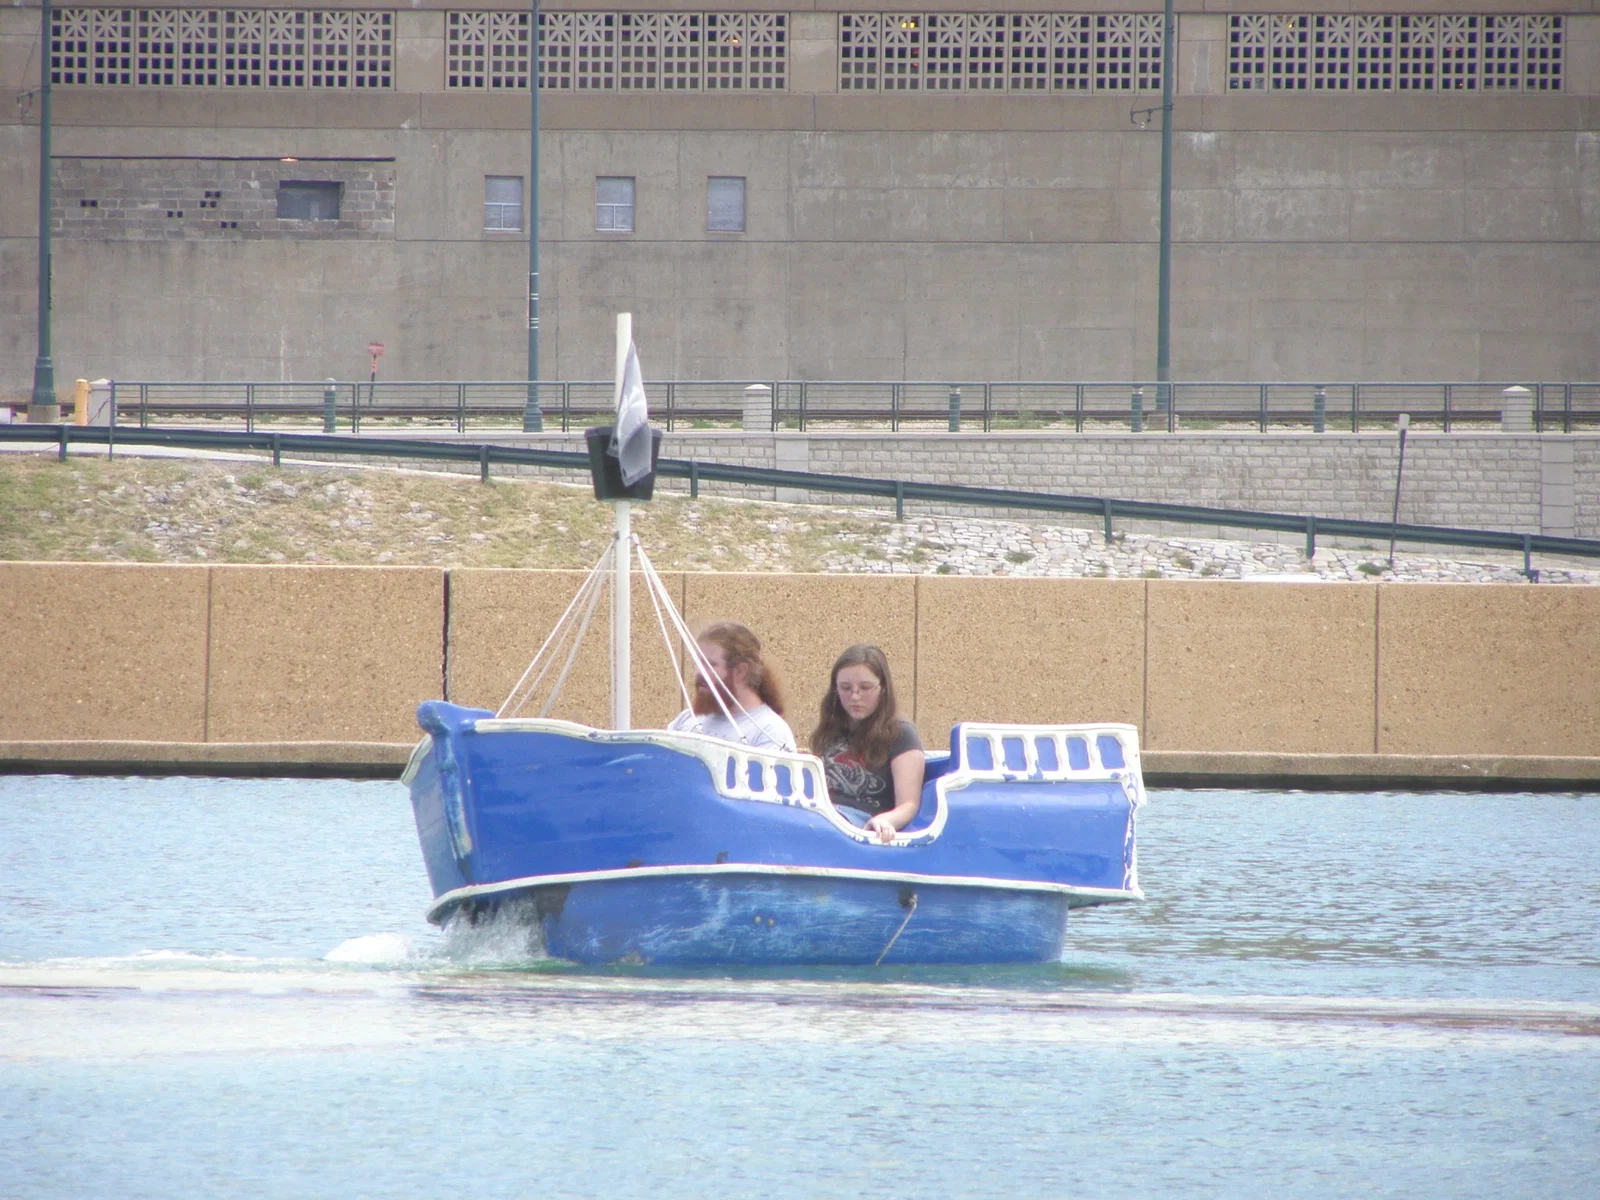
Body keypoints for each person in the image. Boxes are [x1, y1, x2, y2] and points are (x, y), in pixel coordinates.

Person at [810, 644, 925, 843]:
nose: (855, 696)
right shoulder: (832, 728)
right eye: (845, 688)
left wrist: (886, 820)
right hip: (822, 812)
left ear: (883, 688)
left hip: (862, 822)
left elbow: (908, 804)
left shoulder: (901, 733)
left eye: (865, 688)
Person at [667, 621, 797, 752]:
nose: (698, 673)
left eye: (710, 664)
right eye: (697, 664)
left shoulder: (770, 731)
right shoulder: (686, 720)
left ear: (740, 671)